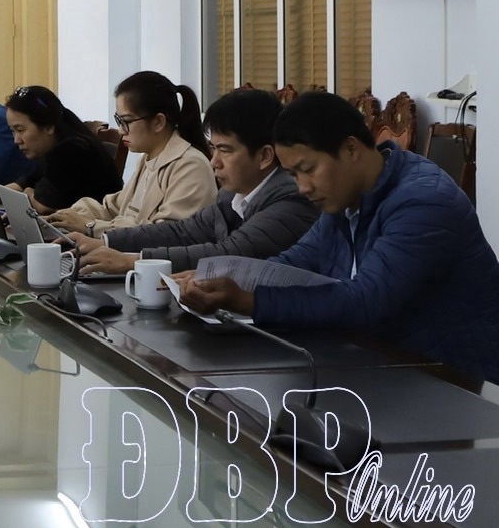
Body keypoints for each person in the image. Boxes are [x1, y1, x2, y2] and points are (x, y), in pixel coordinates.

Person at [179, 92, 499, 384]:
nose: (303, 187)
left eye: (308, 169)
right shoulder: (345, 195)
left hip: (457, 385)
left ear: (350, 149)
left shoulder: (424, 202)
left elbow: (365, 301)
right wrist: (220, 277)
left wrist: (247, 300)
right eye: (294, 175)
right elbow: (297, 261)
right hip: (384, 366)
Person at [74, 88, 317, 273]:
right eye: (213, 148)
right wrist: (105, 241)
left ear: (265, 156)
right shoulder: (232, 194)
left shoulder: (292, 199)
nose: (214, 162)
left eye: (225, 151)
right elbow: (184, 231)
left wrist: (132, 261)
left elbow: (232, 253)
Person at [48, 70, 215, 237]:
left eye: (126, 121)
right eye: (119, 121)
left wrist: (90, 226)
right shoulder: (148, 159)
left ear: (158, 122)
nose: (121, 131)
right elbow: (114, 207)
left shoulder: (191, 166)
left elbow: (164, 235)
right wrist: (69, 215)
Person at [0, 85, 121, 213]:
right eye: (12, 131)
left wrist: (29, 193)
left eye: (20, 130)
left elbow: (42, 206)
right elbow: (24, 183)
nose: (16, 140)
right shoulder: (52, 145)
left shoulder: (71, 150)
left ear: (48, 126)